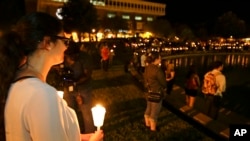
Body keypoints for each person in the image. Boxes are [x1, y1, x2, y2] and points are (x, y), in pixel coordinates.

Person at [1, 12, 103, 141]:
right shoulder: (42, 95)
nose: (66, 47)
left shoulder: (15, 84)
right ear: (47, 43)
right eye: (64, 41)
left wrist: (75, 137)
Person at [64, 43, 96, 134]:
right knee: (69, 111)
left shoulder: (85, 58)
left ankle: (90, 134)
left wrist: (75, 82)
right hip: (68, 88)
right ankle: (72, 133)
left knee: (86, 113)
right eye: (69, 55)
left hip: (83, 88)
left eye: (74, 55)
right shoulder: (63, 58)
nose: (72, 57)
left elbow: (87, 74)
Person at [143, 52, 166, 132]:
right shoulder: (157, 70)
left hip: (148, 92)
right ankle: (153, 129)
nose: (161, 59)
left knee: (148, 108)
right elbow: (163, 83)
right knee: (154, 111)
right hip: (156, 92)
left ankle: (147, 125)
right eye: (160, 58)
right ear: (156, 59)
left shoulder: (147, 68)